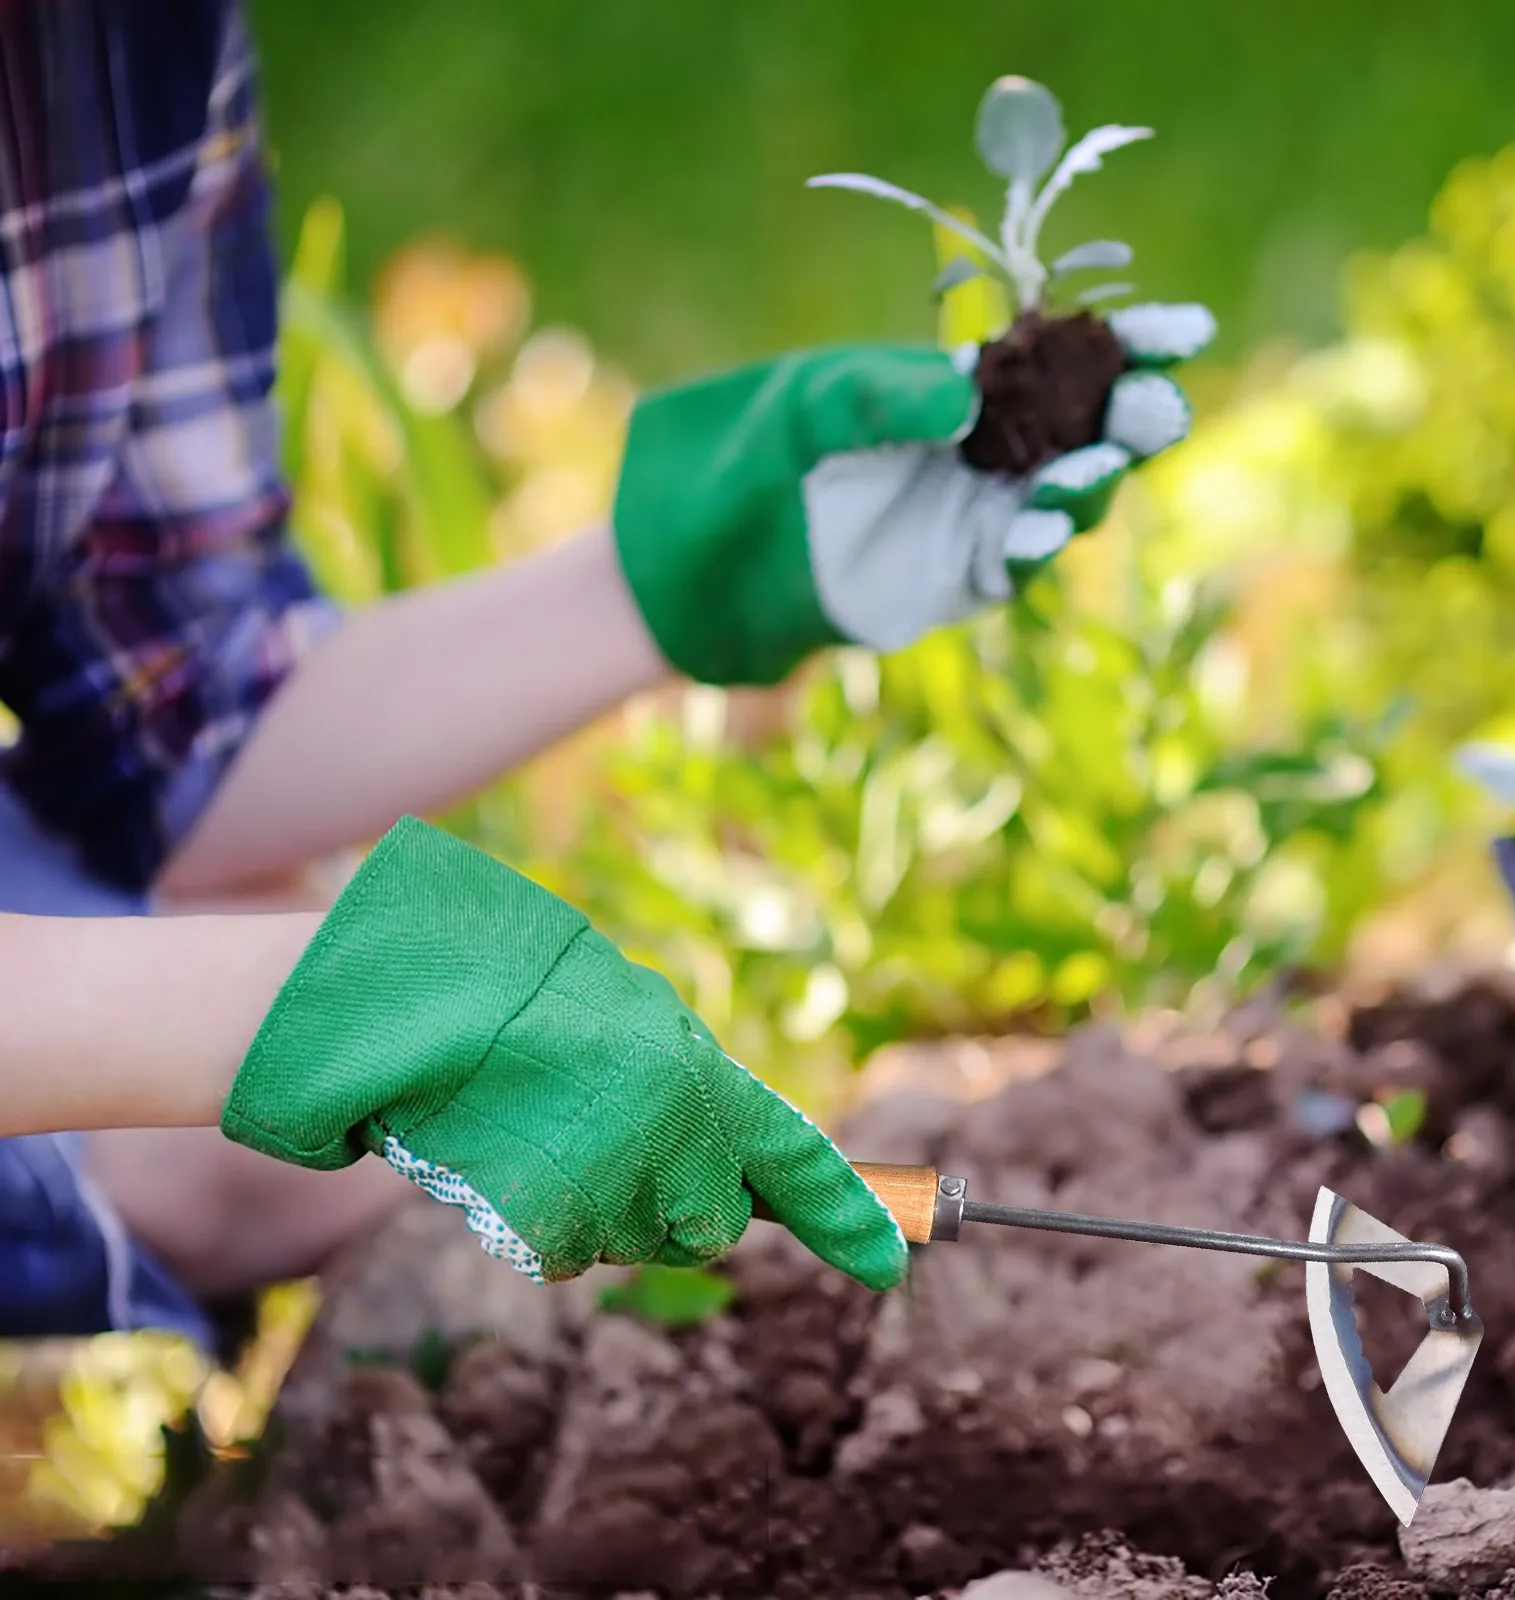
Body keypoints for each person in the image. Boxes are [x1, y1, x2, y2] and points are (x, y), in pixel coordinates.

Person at [0, 0, 1213, 1355]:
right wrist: (327, 1010)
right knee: (273, 1061)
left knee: (256, 1163)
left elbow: (174, 718)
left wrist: (658, 584)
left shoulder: (121, 49)